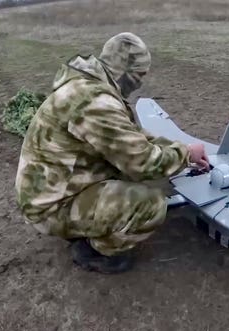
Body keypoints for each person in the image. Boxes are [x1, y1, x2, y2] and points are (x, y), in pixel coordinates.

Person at [14, 32, 209, 274]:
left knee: (130, 177)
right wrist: (186, 155)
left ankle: (84, 221)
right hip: (51, 207)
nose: (139, 83)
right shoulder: (96, 103)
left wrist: (176, 146)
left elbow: (132, 137)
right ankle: (96, 250)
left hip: (51, 190)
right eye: (139, 76)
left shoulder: (87, 87)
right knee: (149, 205)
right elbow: (143, 163)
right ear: (128, 73)